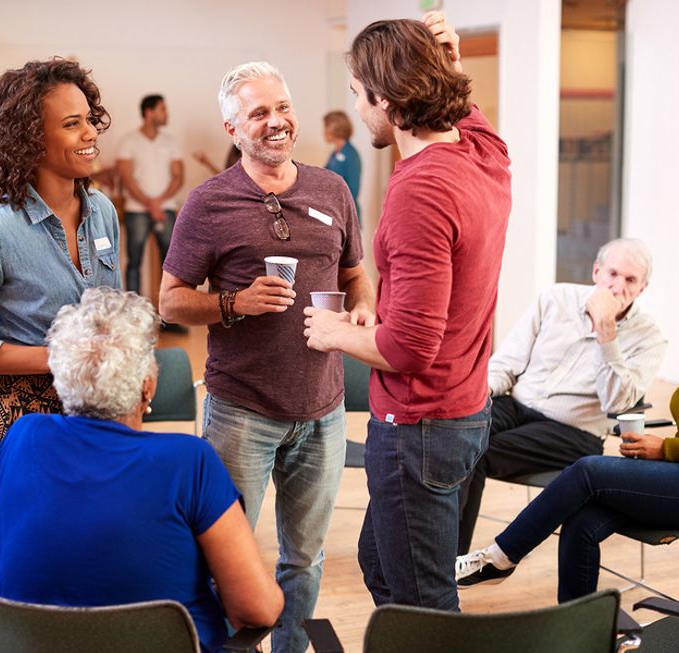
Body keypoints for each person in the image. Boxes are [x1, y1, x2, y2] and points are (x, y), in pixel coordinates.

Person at [455, 233, 679, 603]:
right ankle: (581, 627)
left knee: (588, 470)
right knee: (581, 520)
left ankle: (500, 558)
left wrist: (671, 448)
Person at [158, 61, 375, 653]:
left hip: (323, 408)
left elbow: (357, 276)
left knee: (305, 557)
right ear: (233, 130)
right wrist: (236, 302)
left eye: (282, 108)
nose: (276, 122)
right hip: (241, 412)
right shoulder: (208, 204)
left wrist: (360, 310)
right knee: (225, 557)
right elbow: (170, 302)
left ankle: (289, 647)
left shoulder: (333, 189)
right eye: (259, 114)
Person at [303, 13, 511, 610]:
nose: (358, 108)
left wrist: (336, 331)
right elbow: (470, 115)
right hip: (464, 414)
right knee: (382, 564)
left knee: (421, 605)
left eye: (358, 96)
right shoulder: (484, 156)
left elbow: (410, 350)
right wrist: (448, 63)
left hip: (421, 425)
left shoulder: (420, 187)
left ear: (387, 101)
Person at [0, 287, 283, 653]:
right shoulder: (188, 461)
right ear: (147, 387)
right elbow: (257, 610)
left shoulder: (21, 438)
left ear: (63, 378)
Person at [0, 58, 119, 486]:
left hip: (96, 406)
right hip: (20, 416)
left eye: (89, 119)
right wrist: (60, 358)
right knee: (34, 549)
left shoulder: (103, 212)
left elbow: (113, 314)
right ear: (30, 140)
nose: (90, 133)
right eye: (72, 124)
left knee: (98, 546)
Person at [457, 238, 667, 557]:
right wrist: (474, 395)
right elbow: (507, 364)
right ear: (596, 271)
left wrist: (606, 332)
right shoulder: (556, 298)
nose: (617, 286)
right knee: (459, 435)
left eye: (630, 280)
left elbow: (616, 403)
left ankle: (446, 565)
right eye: (612, 273)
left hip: (573, 432)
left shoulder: (650, 338)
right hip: (516, 404)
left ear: (643, 288)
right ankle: (423, 549)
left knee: (480, 453)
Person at [117, 94, 184, 300]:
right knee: (134, 262)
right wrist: (149, 203)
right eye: (162, 109)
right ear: (149, 112)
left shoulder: (171, 142)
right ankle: (134, 315)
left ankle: (169, 315)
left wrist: (158, 202)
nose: (167, 114)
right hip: (136, 211)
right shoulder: (129, 141)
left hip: (166, 209)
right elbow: (126, 178)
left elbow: (178, 176)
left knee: (171, 264)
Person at [323, 110, 362, 220]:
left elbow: (353, 190)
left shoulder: (350, 154)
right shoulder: (334, 153)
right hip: (334, 212)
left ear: (335, 129)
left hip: (347, 214)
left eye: (326, 127)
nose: (324, 131)